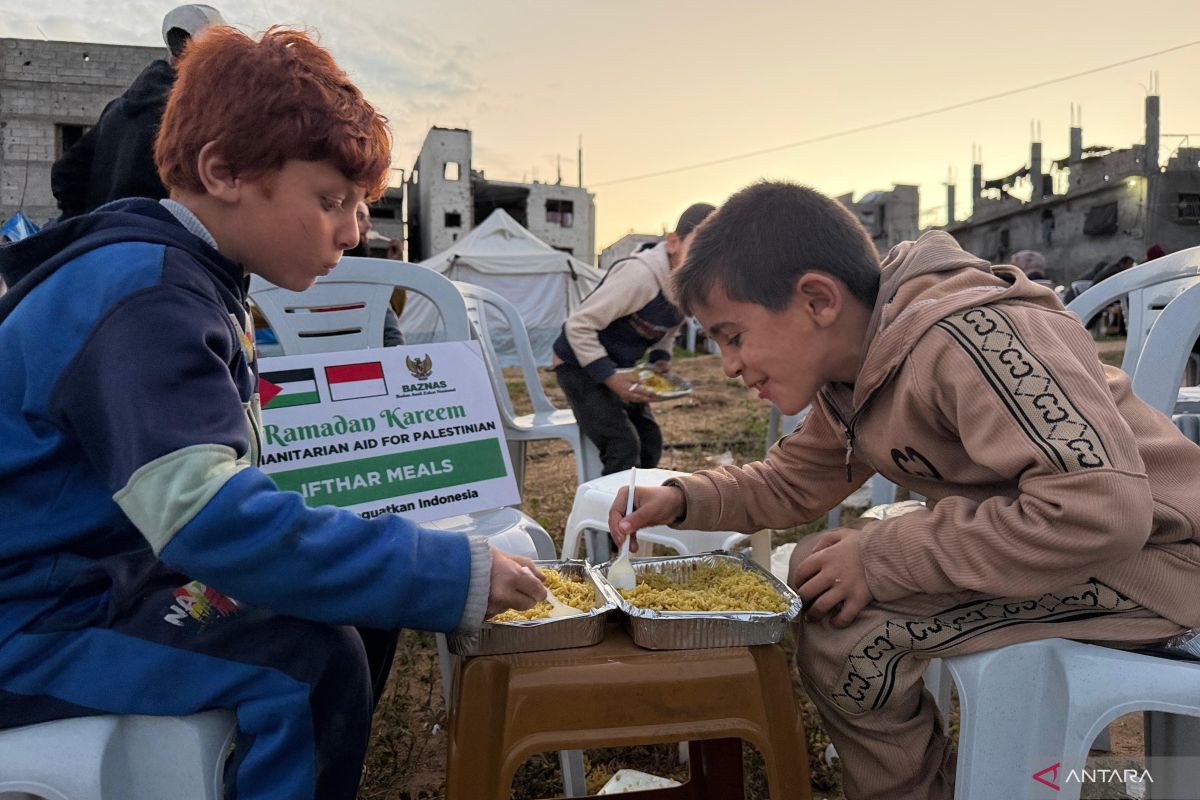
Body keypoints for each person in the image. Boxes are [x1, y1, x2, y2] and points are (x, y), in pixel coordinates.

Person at [0, 26, 546, 800]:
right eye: (332, 201)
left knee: (356, 602)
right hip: (30, 621)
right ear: (223, 170)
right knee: (305, 663)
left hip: (101, 579)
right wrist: (444, 568)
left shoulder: (186, 277)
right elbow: (207, 518)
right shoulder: (146, 296)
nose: (356, 232)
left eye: (361, 206)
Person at [609, 181, 1200, 799]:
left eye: (733, 336)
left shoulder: (976, 338)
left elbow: (1100, 508)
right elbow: (794, 481)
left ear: (817, 299)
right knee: (819, 570)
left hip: (1155, 561)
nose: (728, 364)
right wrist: (683, 498)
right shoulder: (856, 373)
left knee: (849, 630)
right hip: (1072, 551)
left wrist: (883, 557)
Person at [551, 202, 715, 474]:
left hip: (619, 368)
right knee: (623, 445)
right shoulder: (639, 276)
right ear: (673, 243)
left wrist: (660, 359)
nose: (706, 261)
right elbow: (578, 326)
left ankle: (641, 507)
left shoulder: (686, 287)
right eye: (699, 247)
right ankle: (611, 512)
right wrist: (610, 378)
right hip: (577, 365)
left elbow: (669, 328)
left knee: (650, 441)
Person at [50, 4, 226, 219]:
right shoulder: (192, 113)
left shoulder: (115, 111)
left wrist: (90, 220)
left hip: (106, 238)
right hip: (160, 242)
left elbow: (66, 173)